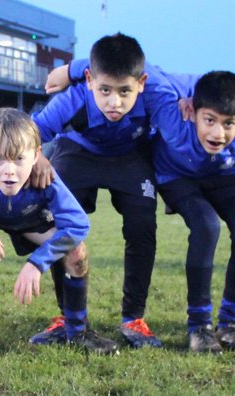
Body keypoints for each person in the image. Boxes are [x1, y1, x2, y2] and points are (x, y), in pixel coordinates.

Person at [0, 108, 120, 358]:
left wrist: (37, 264)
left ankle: (78, 331)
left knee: (76, 250)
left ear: (37, 156)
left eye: (18, 159)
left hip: (29, 222)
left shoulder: (44, 177)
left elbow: (77, 224)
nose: (9, 170)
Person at [21, 33, 164, 348]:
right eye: (105, 91)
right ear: (89, 80)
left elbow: (195, 90)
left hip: (129, 156)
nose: (115, 102)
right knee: (60, 225)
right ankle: (68, 316)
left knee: (143, 225)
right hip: (79, 153)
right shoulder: (71, 101)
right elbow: (30, 133)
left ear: (141, 83)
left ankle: (134, 319)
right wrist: (39, 156)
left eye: (124, 91)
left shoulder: (156, 95)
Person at [150, 70, 235, 353]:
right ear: (194, 110)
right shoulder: (179, 115)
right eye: (209, 120)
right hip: (176, 177)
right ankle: (199, 326)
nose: (218, 133)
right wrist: (70, 71)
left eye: (229, 124)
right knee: (206, 226)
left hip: (222, 175)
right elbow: (150, 70)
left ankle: (231, 324)